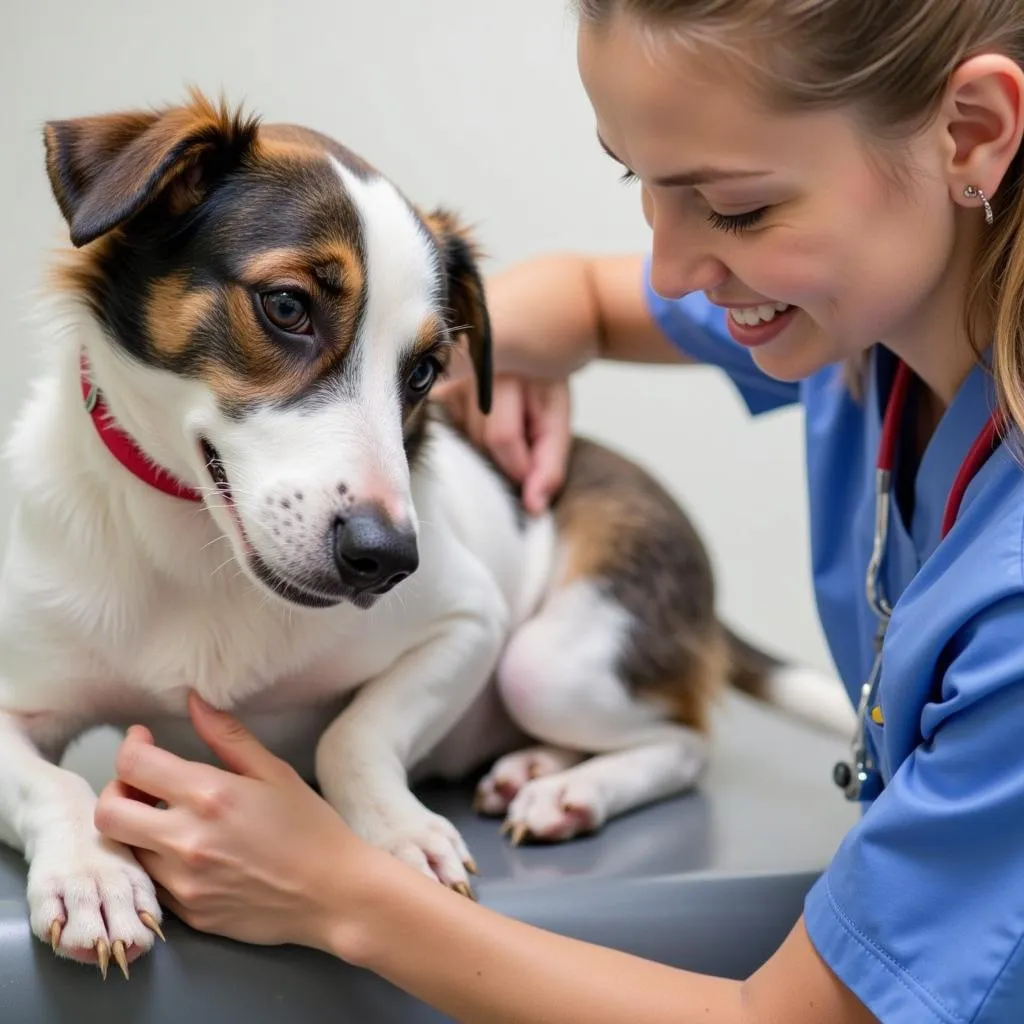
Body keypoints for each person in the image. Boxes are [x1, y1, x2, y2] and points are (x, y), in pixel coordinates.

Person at [91, 0, 1024, 1020]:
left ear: (970, 133)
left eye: (737, 207)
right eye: (639, 179)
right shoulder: (881, 313)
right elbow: (581, 296)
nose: (670, 271)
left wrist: (338, 894)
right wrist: (419, 368)